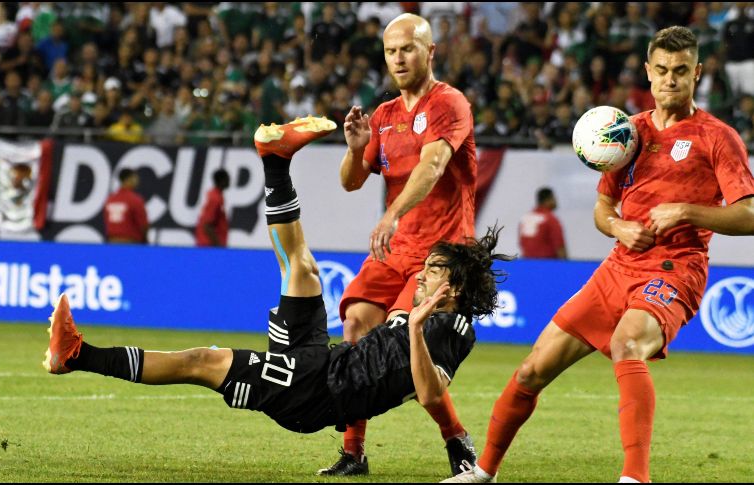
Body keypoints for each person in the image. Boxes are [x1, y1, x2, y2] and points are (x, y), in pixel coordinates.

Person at [44, 119, 512, 480]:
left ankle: (76, 356)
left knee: (200, 361)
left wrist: (414, 330)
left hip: (312, 394)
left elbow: (429, 393)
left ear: (452, 287)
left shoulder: (451, 331)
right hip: (321, 362)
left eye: (432, 271)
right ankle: (274, 160)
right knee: (301, 267)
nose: (423, 276)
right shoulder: (423, 310)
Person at [444, 26, 754, 484]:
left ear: (698, 74)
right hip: (617, 268)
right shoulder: (626, 133)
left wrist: (688, 211)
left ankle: (635, 478)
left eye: (682, 71)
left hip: (675, 268)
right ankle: (483, 471)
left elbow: (748, 215)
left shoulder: (717, 137)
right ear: (648, 72)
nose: (671, 79)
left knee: (627, 344)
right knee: (532, 369)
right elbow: (603, 208)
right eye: (662, 70)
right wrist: (618, 226)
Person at [331, 13, 478, 477]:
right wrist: (356, 149)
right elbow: (351, 183)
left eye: (408, 48)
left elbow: (433, 167)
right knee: (354, 328)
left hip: (442, 255)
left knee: (404, 352)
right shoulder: (385, 116)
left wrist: (391, 214)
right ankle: (353, 452)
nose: (398, 57)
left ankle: (458, 442)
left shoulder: (448, 104)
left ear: (429, 52)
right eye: (391, 50)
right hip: (395, 252)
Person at [518, 187, 567, 259]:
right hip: (547, 264)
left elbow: (522, 242)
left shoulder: (526, 218)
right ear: (549, 199)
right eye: (554, 198)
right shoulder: (550, 219)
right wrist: (565, 265)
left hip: (527, 263)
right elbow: (559, 246)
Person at [103, 168, 148, 244]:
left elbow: (106, 221)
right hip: (130, 244)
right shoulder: (135, 200)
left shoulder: (110, 199)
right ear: (129, 179)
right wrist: (145, 239)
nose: (137, 181)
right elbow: (143, 225)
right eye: (135, 178)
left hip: (112, 243)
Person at [195, 168, 230, 247]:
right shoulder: (215, 199)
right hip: (208, 246)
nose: (229, 181)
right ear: (222, 180)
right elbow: (207, 226)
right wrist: (218, 246)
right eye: (227, 178)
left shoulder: (216, 196)